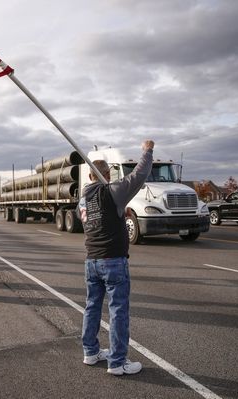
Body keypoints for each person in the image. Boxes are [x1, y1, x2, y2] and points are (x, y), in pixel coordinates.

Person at [78, 140, 154, 376]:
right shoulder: (113, 190)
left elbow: (95, 220)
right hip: (113, 260)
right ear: (107, 174)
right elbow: (139, 175)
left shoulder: (83, 198)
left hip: (91, 259)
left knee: (92, 307)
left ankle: (90, 352)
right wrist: (147, 150)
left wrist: (120, 213)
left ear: (90, 175)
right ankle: (117, 362)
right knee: (118, 310)